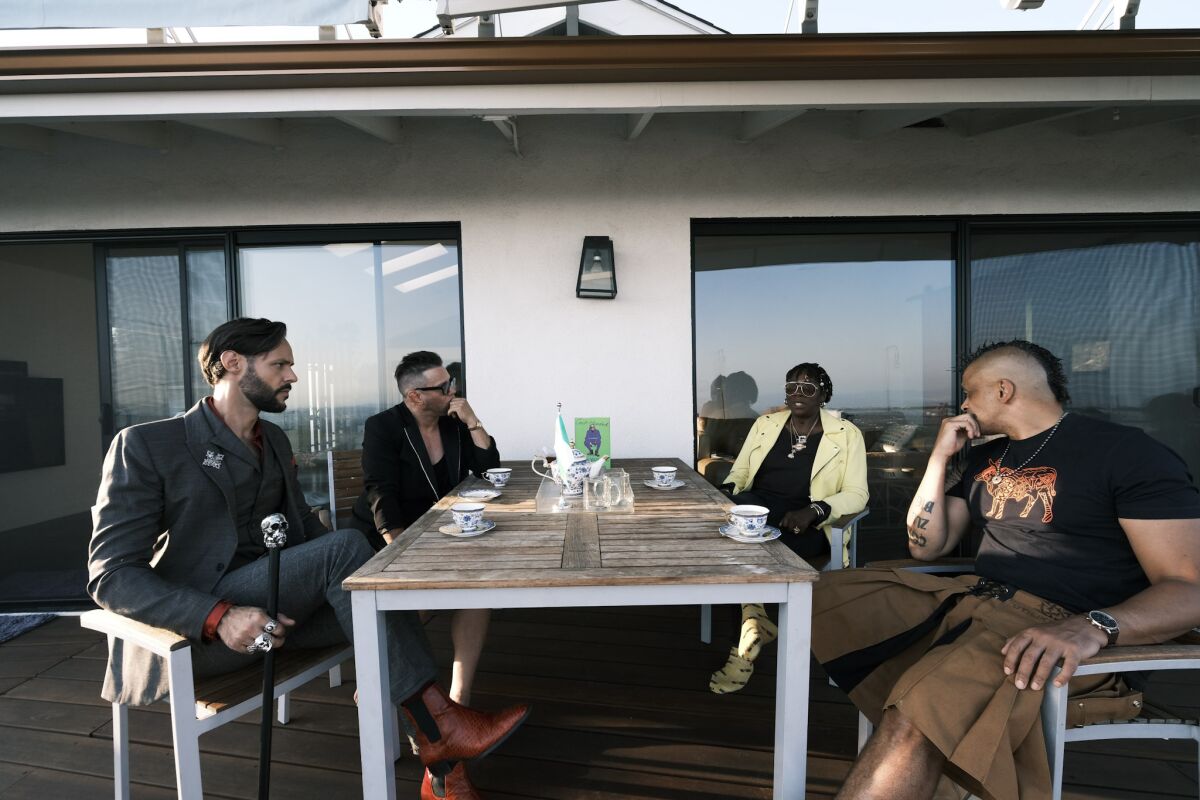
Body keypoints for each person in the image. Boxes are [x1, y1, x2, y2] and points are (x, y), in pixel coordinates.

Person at [88, 319, 524, 800]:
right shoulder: (147, 444)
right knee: (349, 553)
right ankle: (441, 730)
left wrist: (374, 573)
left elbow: (304, 532)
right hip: (198, 635)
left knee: (384, 600)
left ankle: (443, 764)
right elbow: (111, 576)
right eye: (281, 364)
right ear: (232, 364)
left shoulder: (273, 440)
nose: (293, 375)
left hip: (280, 614)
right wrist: (218, 616)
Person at [812, 340, 1200, 800]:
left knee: (914, 715)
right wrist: (938, 457)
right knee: (819, 596)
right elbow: (925, 546)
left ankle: (923, 737)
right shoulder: (982, 459)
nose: (962, 405)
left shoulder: (1124, 453)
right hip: (974, 602)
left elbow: (1189, 587)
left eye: (968, 393)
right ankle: (931, 746)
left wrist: (1093, 626)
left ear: (1003, 390)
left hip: (1054, 627)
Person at [708, 362, 869, 694]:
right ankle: (755, 618)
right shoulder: (766, 424)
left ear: (824, 394)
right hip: (757, 509)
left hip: (804, 522)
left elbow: (858, 493)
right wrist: (726, 491)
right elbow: (739, 473)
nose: (798, 393)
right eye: (791, 386)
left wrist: (816, 509)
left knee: (747, 553)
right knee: (728, 542)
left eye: (808, 388)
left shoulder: (846, 434)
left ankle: (744, 647)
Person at [350, 351, 499, 705]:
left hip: (443, 531)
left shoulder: (453, 422)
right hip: (388, 535)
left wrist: (473, 420)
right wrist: (400, 548)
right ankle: (380, 671)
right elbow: (379, 491)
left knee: (478, 586)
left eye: (452, 382)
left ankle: (459, 698)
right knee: (427, 591)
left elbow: (489, 469)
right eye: (444, 386)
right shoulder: (383, 426)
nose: (453, 390)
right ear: (414, 395)